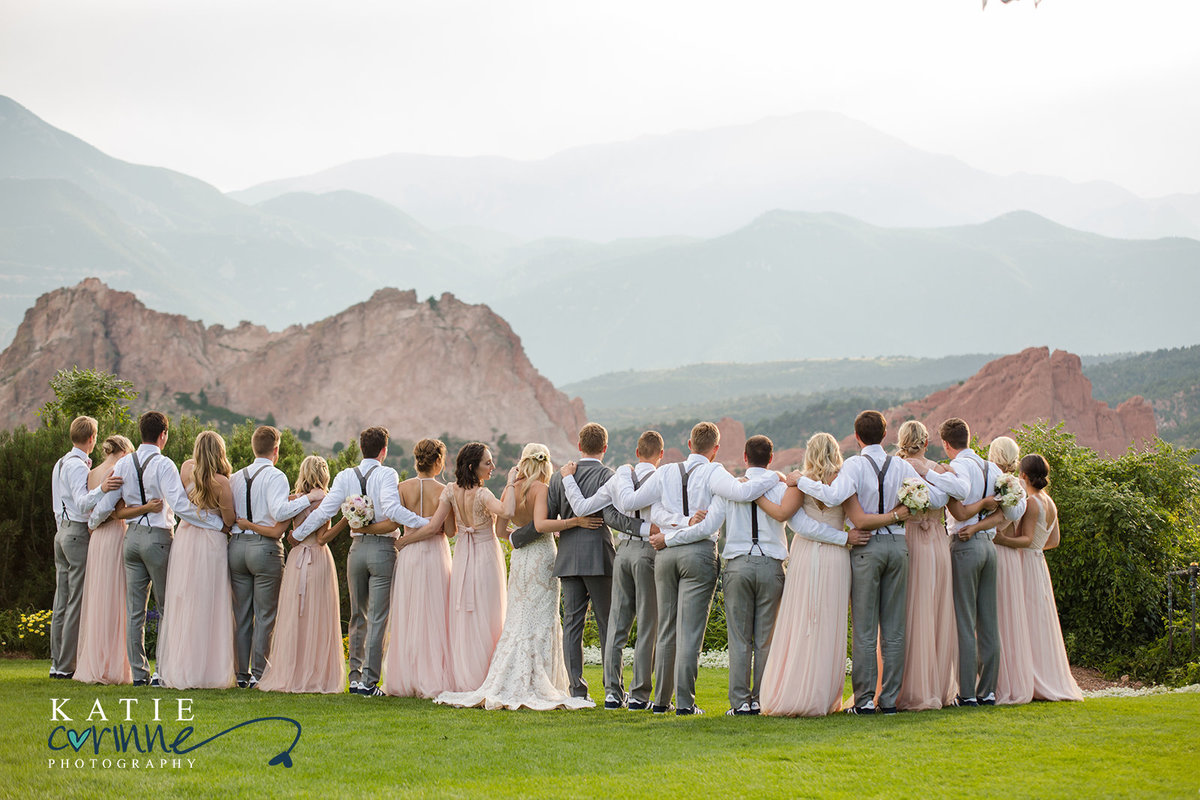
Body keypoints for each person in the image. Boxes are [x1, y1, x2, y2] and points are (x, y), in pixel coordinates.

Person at [435, 443, 600, 710]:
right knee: (543, 617)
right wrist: (573, 523)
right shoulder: (541, 489)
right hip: (542, 556)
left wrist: (518, 535)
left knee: (519, 617)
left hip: (522, 558)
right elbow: (542, 525)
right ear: (544, 464)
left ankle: (508, 675)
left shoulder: (510, 489)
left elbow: (501, 531)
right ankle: (542, 678)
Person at [636, 421, 782, 715]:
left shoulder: (664, 471)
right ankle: (685, 704)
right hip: (697, 556)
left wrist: (670, 531)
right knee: (689, 632)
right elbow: (720, 515)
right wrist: (775, 476)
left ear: (689, 445)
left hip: (664, 555)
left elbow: (645, 507)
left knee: (666, 630)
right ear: (716, 449)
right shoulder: (716, 473)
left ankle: (661, 702)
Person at [791, 411, 931, 714]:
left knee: (865, 629)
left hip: (867, 547)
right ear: (885, 435)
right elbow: (926, 496)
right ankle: (890, 699)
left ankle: (865, 700)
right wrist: (899, 513)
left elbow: (831, 496)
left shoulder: (854, 466)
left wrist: (802, 480)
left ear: (856, 437)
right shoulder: (902, 465)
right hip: (898, 545)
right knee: (894, 629)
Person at [754, 433, 903, 716]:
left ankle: (802, 690)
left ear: (809, 453)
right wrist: (844, 538)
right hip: (836, 558)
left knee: (804, 620)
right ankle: (823, 696)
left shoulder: (800, 482)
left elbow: (799, 525)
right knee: (829, 623)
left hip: (807, 553)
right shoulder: (843, 482)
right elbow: (854, 518)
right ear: (836, 452)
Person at [291, 426, 433, 696]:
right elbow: (391, 509)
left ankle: (354, 680)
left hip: (356, 551)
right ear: (384, 450)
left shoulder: (345, 476)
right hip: (382, 551)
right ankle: (369, 682)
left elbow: (324, 512)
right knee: (378, 618)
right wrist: (424, 523)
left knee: (358, 616)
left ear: (362, 449)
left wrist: (298, 534)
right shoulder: (387, 473)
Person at [914, 418, 1027, 706]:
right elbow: (1008, 512)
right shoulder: (992, 468)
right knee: (988, 622)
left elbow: (960, 513)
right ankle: (987, 690)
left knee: (964, 621)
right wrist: (984, 525)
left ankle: (966, 692)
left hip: (964, 546)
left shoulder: (957, 469)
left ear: (946, 444)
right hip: (989, 548)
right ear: (969, 438)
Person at [88, 411, 204, 687]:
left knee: (135, 611)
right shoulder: (164, 465)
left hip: (132, 539)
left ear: (141, 433)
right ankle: (161, 672)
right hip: (158, 539)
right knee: (166, 607)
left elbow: (108, 502)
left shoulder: (125, 463)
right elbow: (179, 505)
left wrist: (92, 522)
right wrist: (211, 522)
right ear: (163, 434)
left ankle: (139, 674)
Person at [559, 429, 664, 710]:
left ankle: (607, 694)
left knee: (610, 625)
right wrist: (649, 529)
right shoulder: (662, 477)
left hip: (614, 554)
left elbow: (581, 506)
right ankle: (639, 695)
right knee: (646, 624)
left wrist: (568, 478)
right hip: (638, 551)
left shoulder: (617, 477)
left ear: (636, 452)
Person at [543, 423, 644, 703]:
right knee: (608, 624)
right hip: (599, 557)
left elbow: (551, 518)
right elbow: (612, 517)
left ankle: (577, 690)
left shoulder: (558, 477)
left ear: (579, 445)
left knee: (572, 625)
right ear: (605, 447)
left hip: (568, 558)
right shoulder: (608, 476)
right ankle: (613, 690)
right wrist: (644, 528)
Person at [355, 439, 456, 699]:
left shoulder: (402, 488)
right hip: (435, 553)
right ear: (438, 461)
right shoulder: (444, 490)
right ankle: (432, 675)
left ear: (417, 460)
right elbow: (450, 531)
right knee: (435, 613)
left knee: (408, 614)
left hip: (409, 554)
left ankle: (405, 677)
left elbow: (391, 522)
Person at [228, 426, 323, 688]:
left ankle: (240, 674)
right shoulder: (276, 476)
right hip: (265, 548)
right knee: (266, 614)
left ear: (253, 447)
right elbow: (280, 512)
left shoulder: (236, 477)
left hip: (236, 546)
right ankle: (259, 672)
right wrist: (310, 499)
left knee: (242, 613)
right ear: (276, 450)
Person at [420, 442, 516, 693]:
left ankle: (466, 675)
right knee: (490, 612)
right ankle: (487, 676)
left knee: (465, 614)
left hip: (462, 554)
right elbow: (507, 510)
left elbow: (441, 528)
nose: (492, 467)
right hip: (485, 555)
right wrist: (511, 483)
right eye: (488, 463)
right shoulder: (484, 495)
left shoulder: (450, 491)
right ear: (473, 467)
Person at [248, 455, 347, 694]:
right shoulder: (325, 501)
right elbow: (322, 537)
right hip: (318, 558)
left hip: (296, 561)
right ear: (324, 475)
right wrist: (346, 520)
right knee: (318, 616)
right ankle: (315, 675)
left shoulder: (294, 500)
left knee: (295, 616)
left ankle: (291, 671)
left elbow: (282, 528)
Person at [74, 434, 158, 685]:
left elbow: (92, 506)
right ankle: (113, 664)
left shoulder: (93, 472)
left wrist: (92, 522)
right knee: (119, 599)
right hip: (113, 535)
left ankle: (99, 660)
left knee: (101, 598)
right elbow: (113, 509)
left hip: (97, 540)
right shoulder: (116, 470)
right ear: (123, 452)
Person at [158, 430, 238, 689]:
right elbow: (228, 521)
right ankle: (210, 671)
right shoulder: (222, 482)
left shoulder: (185, 470)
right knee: (211, 601)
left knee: (185, 599)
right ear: (220, 451)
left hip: (185, 539)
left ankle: (182, 667)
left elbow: (181, 503)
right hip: (210, 543)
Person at [891, 420, 958, 710]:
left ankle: (909, 687)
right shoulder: (939, 470)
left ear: (901, 441)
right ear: (927, 442)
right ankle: (931, 685)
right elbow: (945, 497)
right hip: (937, 541)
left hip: (911, 539)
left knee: (909, 610)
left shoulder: (896, 468)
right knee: (932, 610)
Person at [962, 436, 1033, 705]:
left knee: (976, 620)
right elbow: (1011, 514)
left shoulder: (987, 477)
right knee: (995, 621)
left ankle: (975, 686)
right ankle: (992, 687)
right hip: (997, 552)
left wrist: (978, 526)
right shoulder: (1014, 487)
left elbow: (1004, 515)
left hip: (983, 546)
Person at [50, 415, 120, 679]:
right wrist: (102, 488)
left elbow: (59, 504)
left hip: (62, 533)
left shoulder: (60, 463)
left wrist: (62, 530)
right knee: (76, 601)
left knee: (61, 601)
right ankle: (67, 666)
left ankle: (57, 662)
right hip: (77, 533)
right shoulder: (78, 465)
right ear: (92, 438)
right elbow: (81, 503)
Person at [1011, 454, 1082, 702]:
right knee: (1039, 620)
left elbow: (1026, 539)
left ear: (1024, 476)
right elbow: (1054, 541)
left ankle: (1032, 677)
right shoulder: (1050, 502)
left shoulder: (1031, 502)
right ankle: (1044, 675)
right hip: (1039, 563)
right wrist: (1035, 549)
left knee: (1027, 619)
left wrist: (1000, 540)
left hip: (1027, 563)